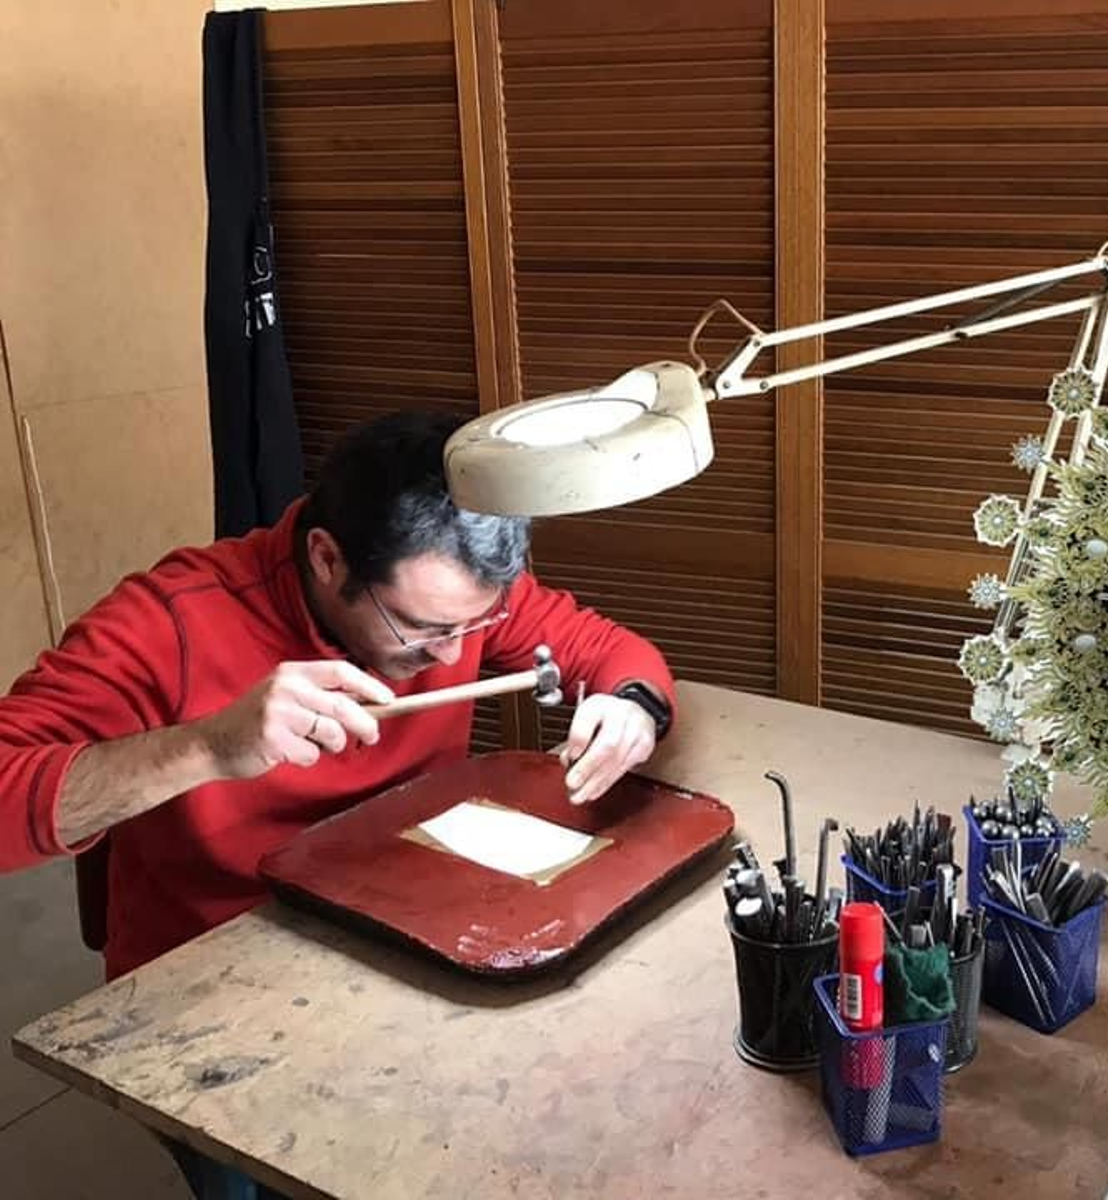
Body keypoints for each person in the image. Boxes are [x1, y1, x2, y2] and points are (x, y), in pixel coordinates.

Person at [1, 411, 677, 1197]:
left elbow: (610, 652)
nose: (455, 657)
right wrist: (209, 747)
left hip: (394, 927)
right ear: (327, 558)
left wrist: (633, 707)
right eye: (422, 630)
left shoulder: (457, 597)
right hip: (216, 981)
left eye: (477, 625)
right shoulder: (172, 620)